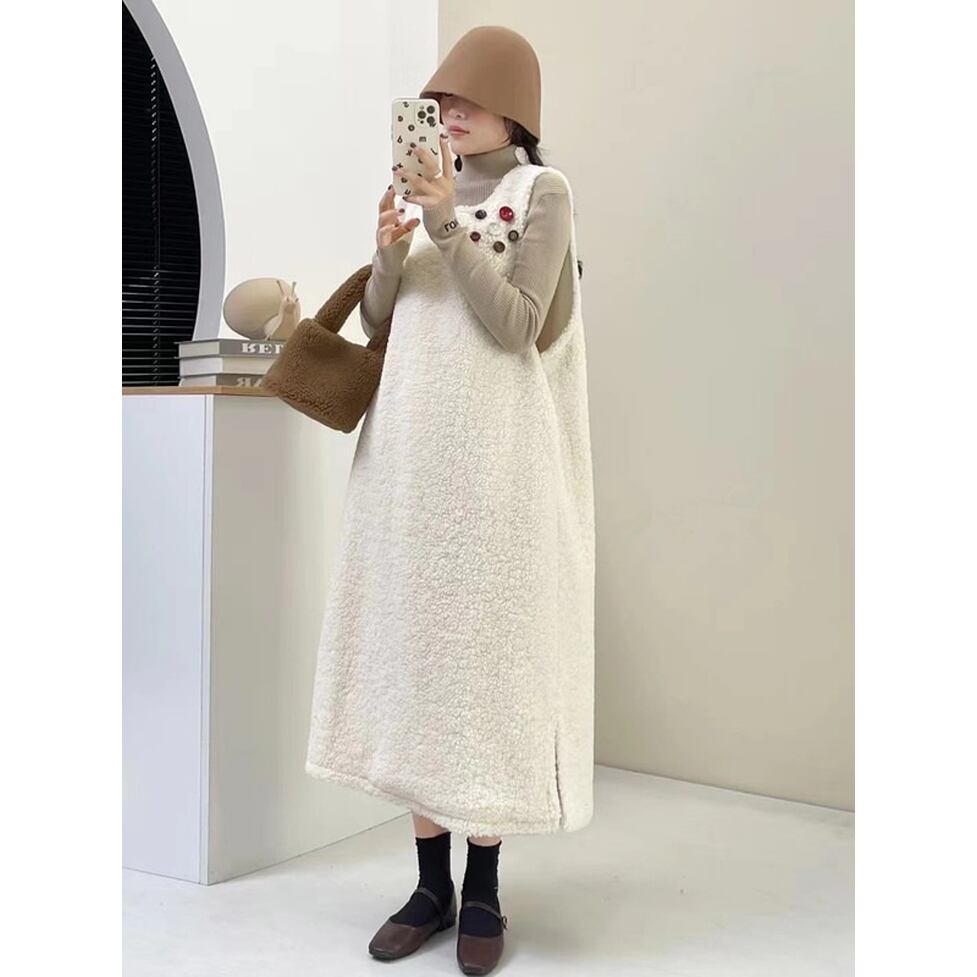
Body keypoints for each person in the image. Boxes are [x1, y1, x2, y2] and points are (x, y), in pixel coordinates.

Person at [304, 26, 595, 976]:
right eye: (438, 101)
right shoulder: (419, 191)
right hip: (406, 471)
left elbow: (517, 327)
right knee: (414, 666)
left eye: (467, 98)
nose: (448, 114)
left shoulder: (541, 193)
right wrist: (389, 249)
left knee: (486, 672)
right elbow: (383, 325)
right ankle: (429, 885)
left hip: (496, 477)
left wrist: (441, 227)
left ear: (514, 106)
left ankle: (483, 889)